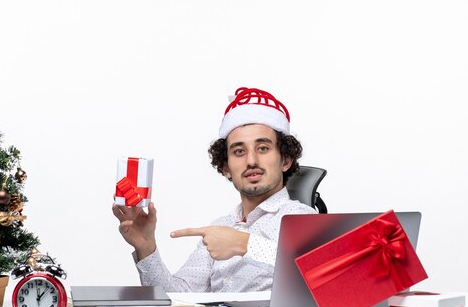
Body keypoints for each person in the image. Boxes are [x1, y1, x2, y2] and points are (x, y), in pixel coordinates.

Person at [112, 87, 316, 292]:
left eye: (263, 148)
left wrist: (244, 245)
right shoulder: (221, 226)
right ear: (226, 168)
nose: (252, 160)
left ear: (286, 160)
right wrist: (146, 248)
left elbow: (320, 270)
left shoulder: (301, 218)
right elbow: (178, 296)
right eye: (239, 151)